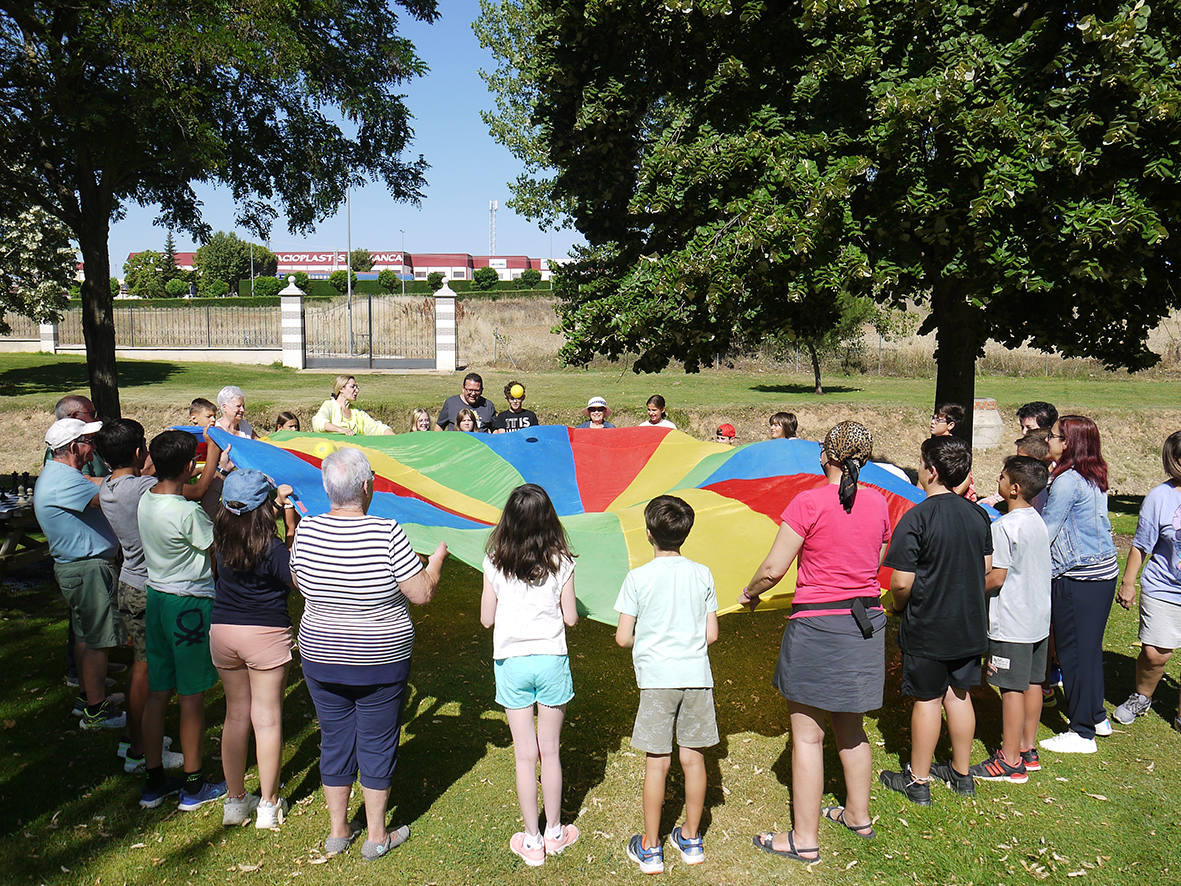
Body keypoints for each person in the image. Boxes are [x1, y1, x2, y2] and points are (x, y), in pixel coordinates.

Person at [741, 422, 890, 863]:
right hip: (865, 624)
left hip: (817, 627)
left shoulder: (808, 501)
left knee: (807, 738)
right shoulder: (879, 503)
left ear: (826, 455)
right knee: (852, 726)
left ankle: (804, 839)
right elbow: (876, 558)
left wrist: (750, 593)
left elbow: (773, 569)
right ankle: (857, 815)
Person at [289, 447, 448, 860]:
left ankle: (338, 831)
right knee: (377, 742)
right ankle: (376, 835)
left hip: (321, 657)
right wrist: (435, 564)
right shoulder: (387, 532)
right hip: (379, 660)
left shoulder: (306, 531)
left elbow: (299, 580)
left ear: (328, 489)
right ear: (366, 486)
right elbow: (421, 593)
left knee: (335, 739)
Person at [879, 436, 992, 804]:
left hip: (929, 625)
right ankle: (963, 775)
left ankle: (919, 780)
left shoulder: (917, 517)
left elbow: (900, 582)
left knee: (927, 700)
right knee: (959, 695)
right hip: (969, 624)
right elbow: (986, 569)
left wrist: (897, 605)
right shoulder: (978, 515)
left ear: (931, 471)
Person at [615, 495, 718, 874]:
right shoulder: (702, 573)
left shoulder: (637, 578)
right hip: (695, 676)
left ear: (648, 534)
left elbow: (623, 637)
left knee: (656, 763)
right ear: (685, 534)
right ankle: (691, 838)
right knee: (693, 759)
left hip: (657, 681)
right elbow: (711, 634)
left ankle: (651, 847)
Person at [479, 484, 580, 866]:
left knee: (525, 756)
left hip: (511, 662)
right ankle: (555, 831)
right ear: (548, 519)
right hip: (551, 659)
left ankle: (532, 840)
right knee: (550, 752)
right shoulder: (562, 560)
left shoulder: (494, 560)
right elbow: (569, 617)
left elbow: (487, 618)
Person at [137, 430, 227, 811]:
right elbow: (214, 545)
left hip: (156, 598)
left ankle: (153, 778)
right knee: (191, 696)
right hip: (188, 604)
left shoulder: (146, 500)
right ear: (191, 467)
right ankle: (193, 784)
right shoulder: (187, 513)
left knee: (159, 692)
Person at [95, 419, 188, 772]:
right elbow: (186, 491)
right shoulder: (143, 488)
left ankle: (134, 738)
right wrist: (213, 461)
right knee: (149, 672)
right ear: (139, 451)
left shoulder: (110, 486)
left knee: (140, 665)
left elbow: (146, 474)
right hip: (150, 587)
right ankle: (141, 750)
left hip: (128, 582)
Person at [212, 470, 299, 829]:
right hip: (264, 635)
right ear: (264, 508)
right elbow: (297, 580)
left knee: (235, 716)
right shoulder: (273, 548)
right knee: (266, 719)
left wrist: (274, 505)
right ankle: (268, 803)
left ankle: (234, 801)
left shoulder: (220, 539)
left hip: (223, 632)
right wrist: (294, 529)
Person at [34, 417, 125, 730]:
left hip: (79, 568)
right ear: (74, 447)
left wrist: (119, 476)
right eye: (89, 441)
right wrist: (140, 473)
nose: (94, 447)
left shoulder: (62, 474)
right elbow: (110, 497)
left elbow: (97, 484)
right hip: (87, 569)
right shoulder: (64, 480)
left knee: (86, 636)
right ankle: (96, 711)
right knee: (98, 639)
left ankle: (89, 695)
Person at [1038, 416, 1119, 754]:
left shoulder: (1067, 481)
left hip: (1077, 577)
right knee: (1089, 650)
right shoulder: (1094, 475)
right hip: (1102, 575)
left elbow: (1047, 530)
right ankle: (1097, 715)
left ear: (1067, 443)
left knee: (1072, 652)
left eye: (1054, 437)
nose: (1048, 442)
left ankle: (1081, 730)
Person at [968, 456, 1051, 783]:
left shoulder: (1003, 527)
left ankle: (1009, 759)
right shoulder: (1036, 520)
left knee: (1010, 689)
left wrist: (969, 589)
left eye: (1002, 477)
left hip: (1011, 621)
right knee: (1032, 683)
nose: (997, 480)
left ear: (1013, 488)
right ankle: (1027, 749)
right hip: (1037, 618)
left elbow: (997, 576)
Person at [1113, 431, 1181, 732]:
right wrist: (1129, 582)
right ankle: (1142, 696)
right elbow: (1142, 544)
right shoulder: (1160, 497)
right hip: (1163, 586)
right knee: (1155, 653)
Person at [312, 375, 393, 435]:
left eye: (357, 387)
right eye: (352, 387)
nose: (356, 390)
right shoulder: (329, 405)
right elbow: (319, 423)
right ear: (341, 389)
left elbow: (376, 427)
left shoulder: (357, 412)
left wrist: (391, 435)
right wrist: (341, 430)